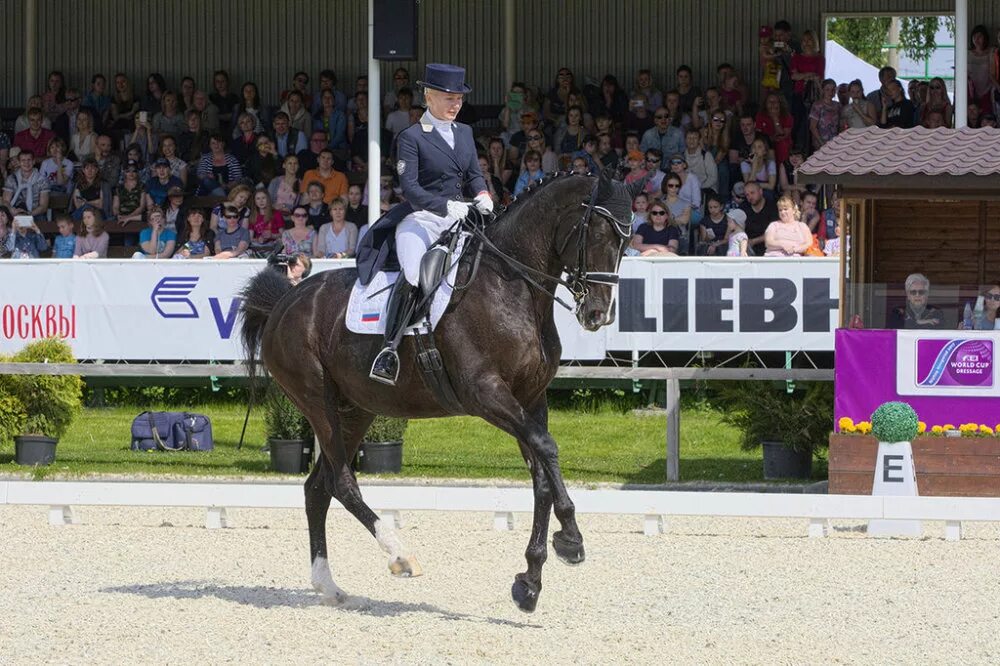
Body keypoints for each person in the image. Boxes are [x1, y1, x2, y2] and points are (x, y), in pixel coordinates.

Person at [358, 63, 490, 385]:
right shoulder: (411, 137)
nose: (455, 104)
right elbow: (411, 189)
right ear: (429, 96)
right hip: (421, 219)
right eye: (448, 98)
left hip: (462, 220)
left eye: (459, 98)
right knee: (416, 275)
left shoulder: (466, 133)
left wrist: (483, 193)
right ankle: (389, 350)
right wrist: (447, 206)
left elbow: (473, 173)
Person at [4, 150, 50, 221]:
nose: (26, 163)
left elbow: (43, 206)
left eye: (29, 160)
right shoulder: (11, 178)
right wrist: (12, 211)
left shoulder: (42, 180)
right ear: (19, 162)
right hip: (15, 212)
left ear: (34, 161)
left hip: (35, 214)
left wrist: (28, 214)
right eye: (23, 160)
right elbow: (6, 201)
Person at [740, 181, 778, 256]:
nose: (750, 197)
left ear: (760, 191)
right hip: (748, 247)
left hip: (769, 246)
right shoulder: (743, 207)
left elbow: (775, 232)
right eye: (747, 195)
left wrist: (754, 241)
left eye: (752, 193)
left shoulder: (772, 207)